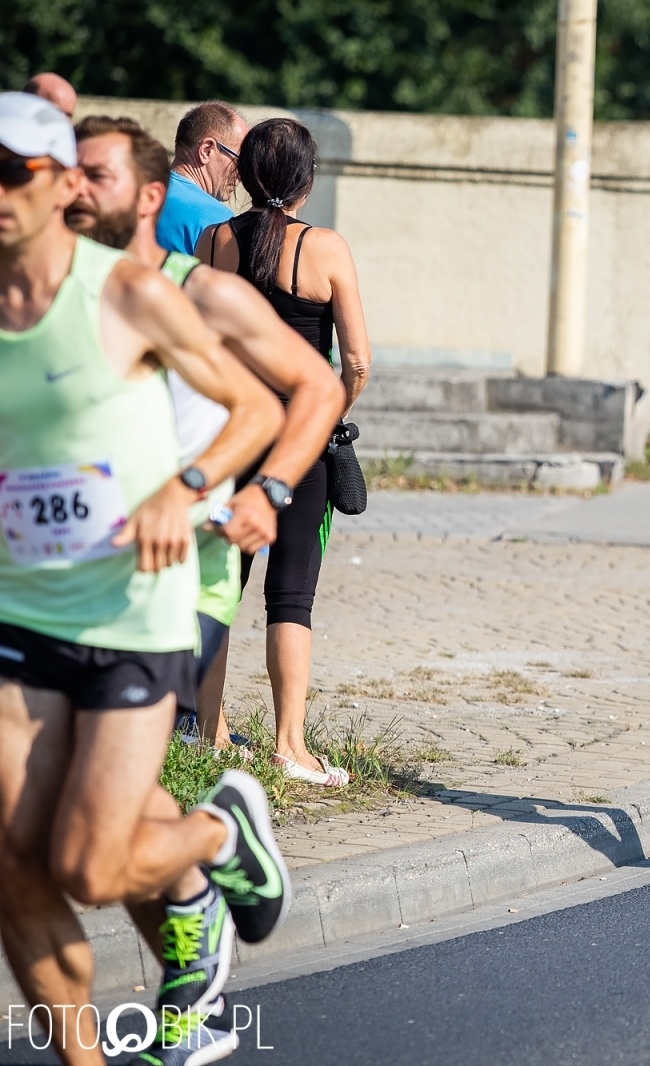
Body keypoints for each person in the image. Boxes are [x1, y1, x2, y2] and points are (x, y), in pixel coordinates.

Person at [0, 92, 292, 1066]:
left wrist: (193, 481)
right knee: (13, 867)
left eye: (18, 174)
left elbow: (253, 404)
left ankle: (216, 836)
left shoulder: (127, 294)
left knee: (87, 859)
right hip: (19, 609)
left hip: (135, 608)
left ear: (57, 187)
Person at [65, 113, 344, 1061]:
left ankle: (218, 841)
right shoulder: (57, 299)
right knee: (70, 830)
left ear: (151, 196)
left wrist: (250, 486)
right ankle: (198, 971)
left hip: (185, 572)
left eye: (84, 176)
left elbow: (304, 391)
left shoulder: (204, 288)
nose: (67, 193)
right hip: (70, 583)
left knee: (92, 832)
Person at [199, 117, 370, 787]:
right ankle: (290, 747)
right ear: (308, 179)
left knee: (219, 589)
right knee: (290, 594)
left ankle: (208, 734)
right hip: (300, 446)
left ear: (242, 176)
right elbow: (355, 359)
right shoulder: (325, 249)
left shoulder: (218, 241)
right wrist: (328, 416)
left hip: (229, 433)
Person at [155, 101, 246, 256]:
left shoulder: (142, 194)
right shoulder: (218, 223)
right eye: (240, 161)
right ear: (207, 150)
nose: (242, 174)